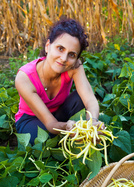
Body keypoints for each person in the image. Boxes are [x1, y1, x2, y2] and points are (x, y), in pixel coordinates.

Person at [15, 16, 103, 144]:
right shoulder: (24, 78)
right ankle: (65, 139)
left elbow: (90, 99)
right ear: (47, 46)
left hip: (59, 113)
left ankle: (68, 138)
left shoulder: (74, 66)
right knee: (39, 139)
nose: (64, 58)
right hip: (31, 119)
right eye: (60, 48)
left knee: (80, 98)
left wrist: (93, 122)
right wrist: (67, 127)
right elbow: (50, 123)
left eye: (72, 54)